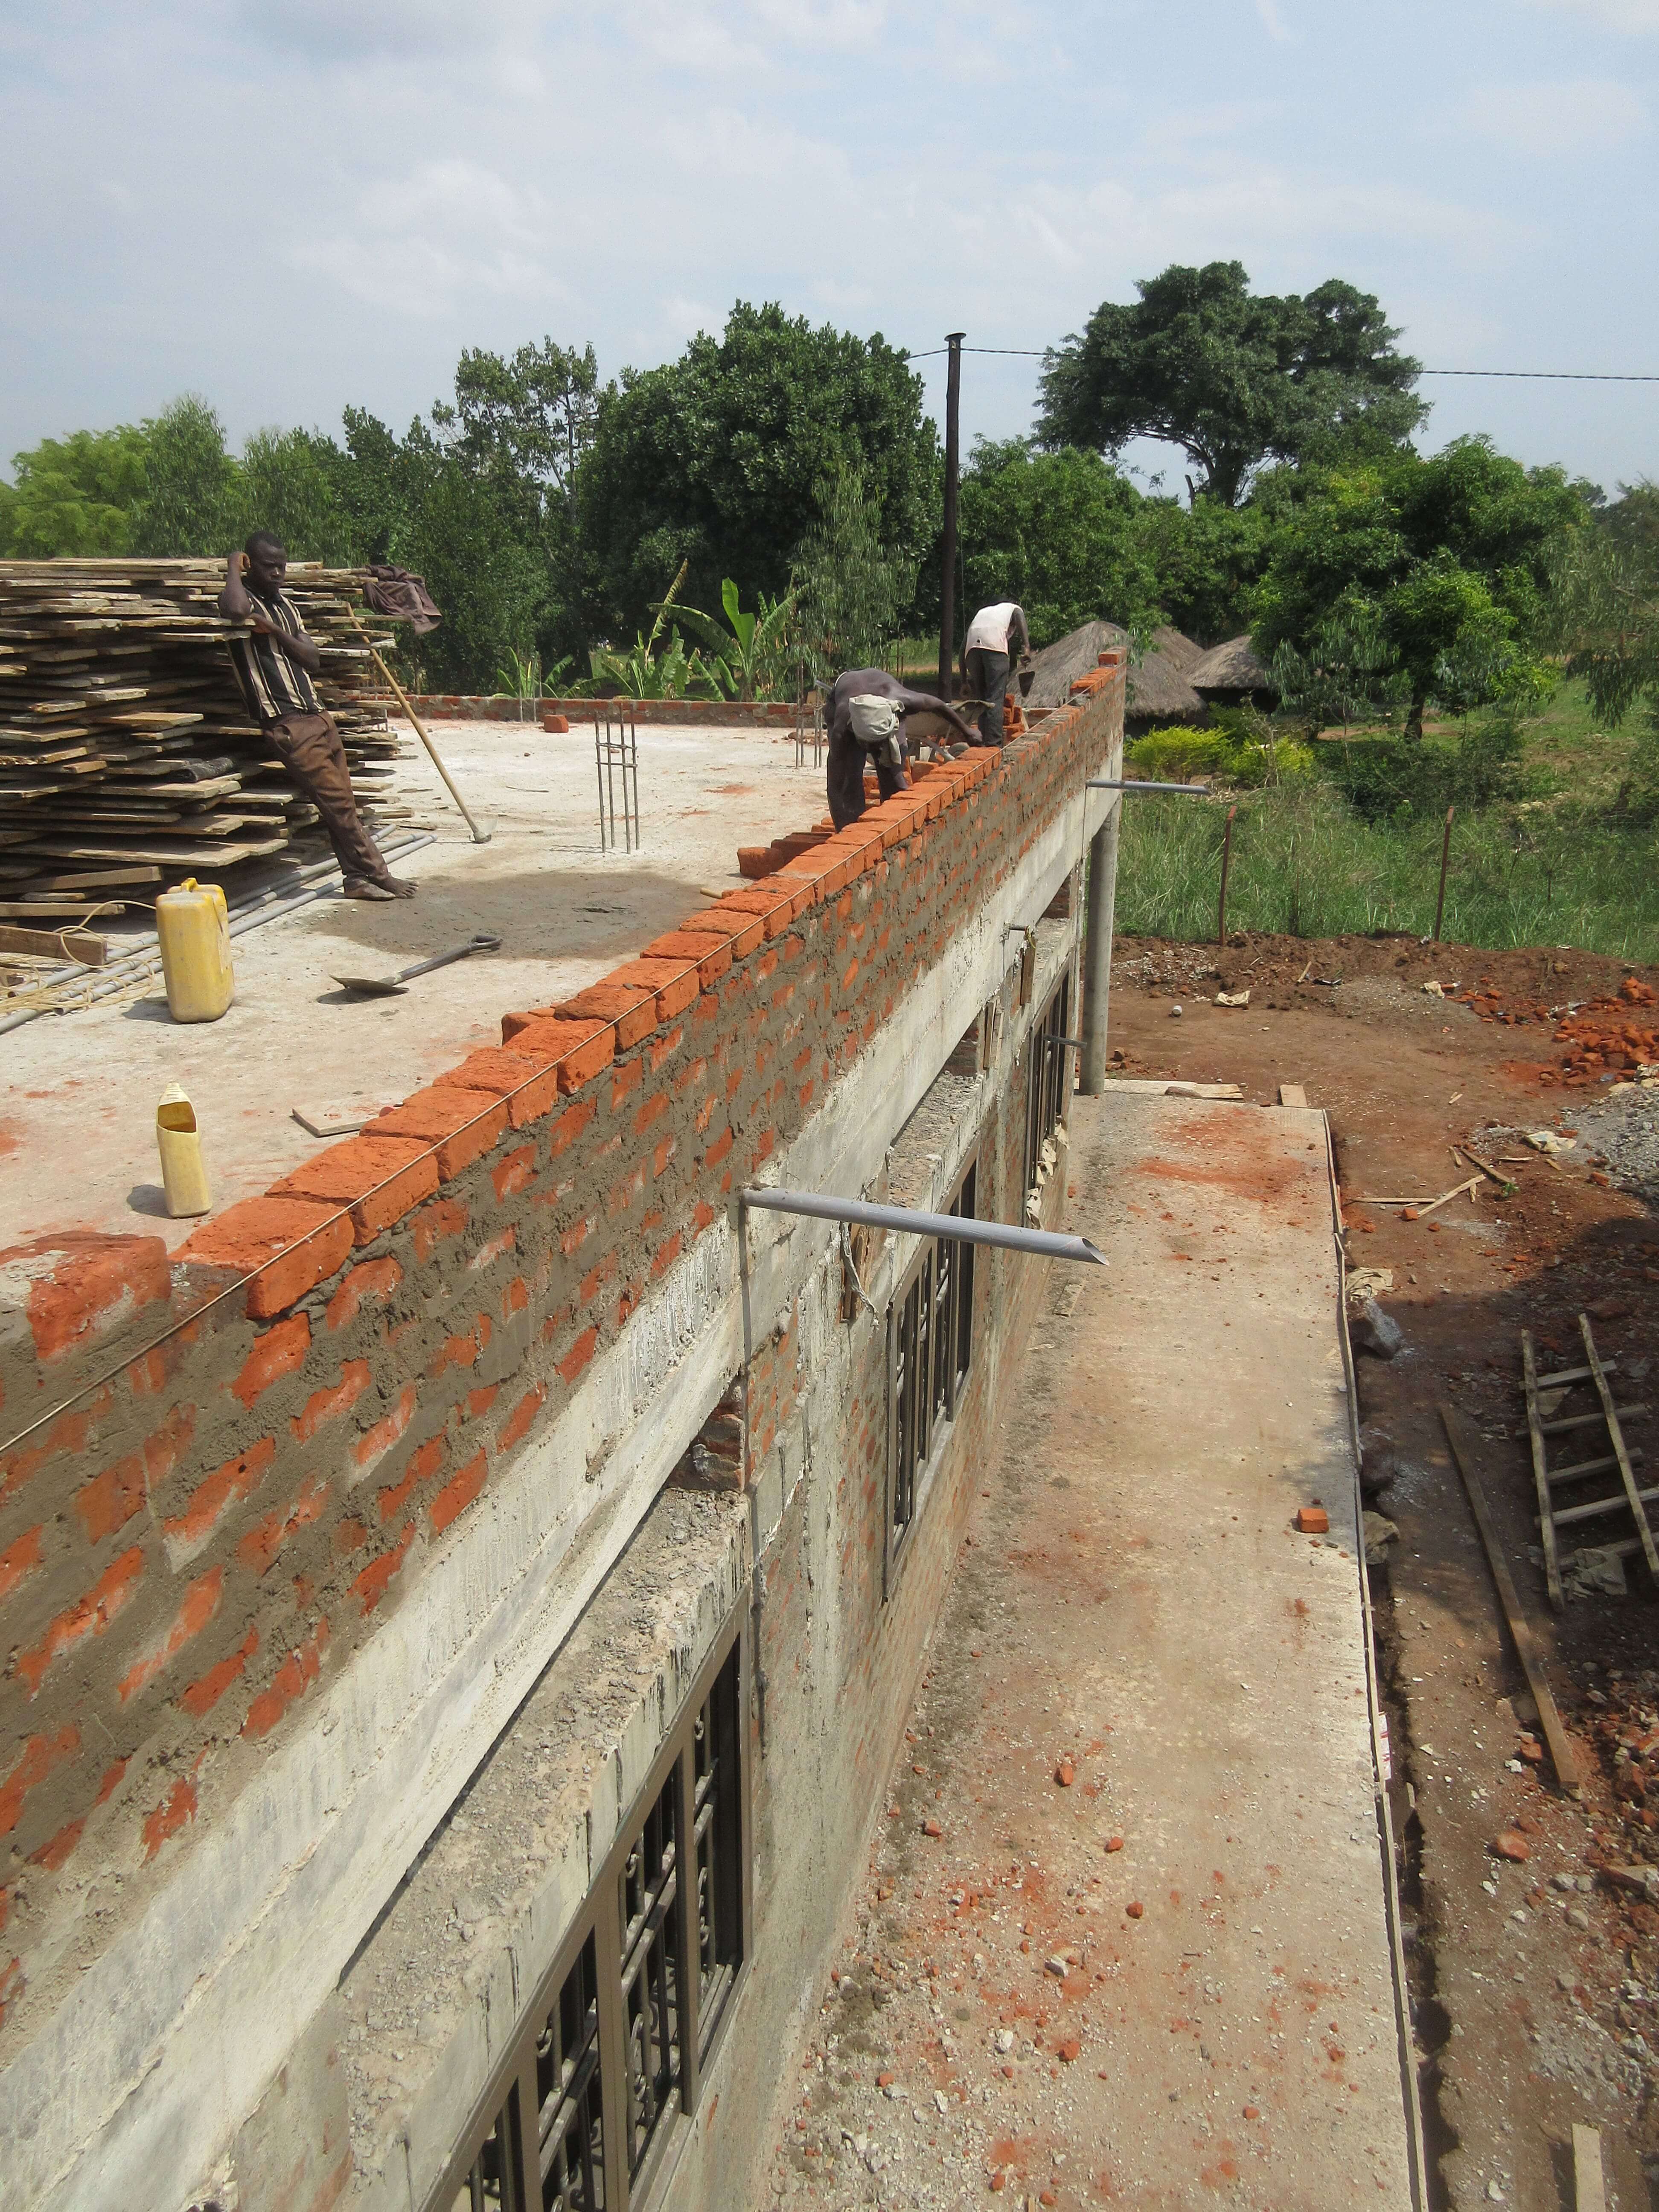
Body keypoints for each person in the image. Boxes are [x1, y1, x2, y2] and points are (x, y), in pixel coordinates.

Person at [218, 532, 415, 900]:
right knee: (339, 806)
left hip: (318, 715)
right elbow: (234, 611)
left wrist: (274, 630)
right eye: (268, 566)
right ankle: (380, 875)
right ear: (250, 564)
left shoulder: (286, 608)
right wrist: (232, 563)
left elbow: (312, 659)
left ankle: (355, 880)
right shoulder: (244, 601)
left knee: (341, 806)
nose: (277, 573)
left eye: (282, 566)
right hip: (287, 722)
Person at [823, 668, 979, 830]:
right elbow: (835, 786)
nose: (873, 751)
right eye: (868, 744)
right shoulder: (841, 727)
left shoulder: (902, 699)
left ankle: (893, 826)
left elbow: (939, 705)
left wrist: (968, 732)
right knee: (849, 782)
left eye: (877, 745)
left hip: (887, 710)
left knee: (894, 781)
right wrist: (845, 832)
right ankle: (852, 828)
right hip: (845, 703)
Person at [961, 600, 1031, 747]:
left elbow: (963, 648)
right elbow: (1019, 614)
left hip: (972, 653)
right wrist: (1026, 647)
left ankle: (981, 743)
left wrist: (964, 682)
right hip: (994, 648)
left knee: (982, 700)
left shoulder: (982, 614)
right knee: (995, 698)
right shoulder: (1014, 608)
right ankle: (994, 745)